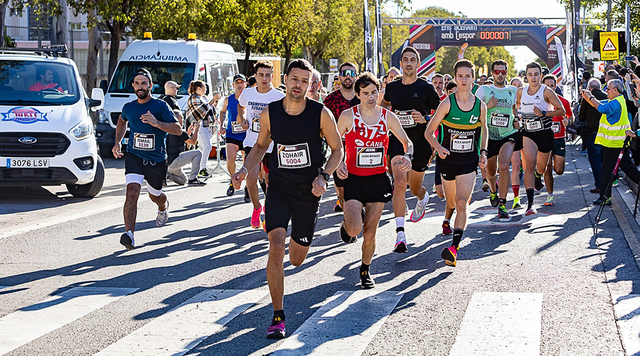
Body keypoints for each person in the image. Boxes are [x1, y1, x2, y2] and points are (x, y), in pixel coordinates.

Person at [231, 59, 343, 339]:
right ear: (287, 79)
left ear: (310, 84)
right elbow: (259, 146)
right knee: (275, 247)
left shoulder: (321, 113)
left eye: (305, 81)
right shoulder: (271, 113)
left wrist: (324, 176)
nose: (299, 85)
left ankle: (299, 248)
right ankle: (278, 315)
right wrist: (245, 168)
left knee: (296, 259)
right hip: (279, 187)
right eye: (294, 79)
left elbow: (337, 149)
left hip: (308, 192)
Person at [336, 72, 413, 287]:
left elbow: (407, 141)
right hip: (353, 179)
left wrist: (408, 156)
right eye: (366, 93)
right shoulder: (348, 116)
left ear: (380, 92)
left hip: (378, 180)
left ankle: (365, 270)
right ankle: (346, 225)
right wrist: (339, 161)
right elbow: (334, 145)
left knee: (370, 233)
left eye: (374, 92)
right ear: (358, 95)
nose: (371, 97)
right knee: (354, 230)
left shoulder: (387, 117)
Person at [425, 59, 488, 267]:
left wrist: (483, 151)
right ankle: (448, 217)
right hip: (448, 161)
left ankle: (454, 248)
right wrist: (439, 147)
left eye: (467, 76)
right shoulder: (447, 103)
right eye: (460, 76)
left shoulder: (480, 106)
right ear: (455, 78)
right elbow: (428, 132)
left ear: (473, 79)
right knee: (451, 202)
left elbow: (484, 130)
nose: (463, 79)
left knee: (462, 202)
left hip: (469, 161)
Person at [112, 68, 181, 250]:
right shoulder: (129, 107)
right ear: (133, 86)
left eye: (144, 83)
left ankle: (162, 206)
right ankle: (129, 234)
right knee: (132, 192)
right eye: (137, 83)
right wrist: (117, 142)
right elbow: (122, 121)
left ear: (150, 85)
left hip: (156, 159)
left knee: (154, 195)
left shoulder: (160, 106)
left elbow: (177, 129)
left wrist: (157, 123)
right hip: (134, 155)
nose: (140, 87)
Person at [381, 46, 440, 253]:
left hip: (420, 143)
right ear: (401, 63)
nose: (408, 63)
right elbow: (384, 105)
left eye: (412, 59)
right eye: (405, 59)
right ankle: (400, 234)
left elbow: (440, 113)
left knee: (413, 188)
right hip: (398, 141)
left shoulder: (426, 88)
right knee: (398, 183)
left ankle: (422, 197)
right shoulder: (393, 87)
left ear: (418, 63)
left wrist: (425, 118)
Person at [238, 60, 285, 229]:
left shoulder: (279, 96)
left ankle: (269, 211)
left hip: (272, 144)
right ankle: (257, 208)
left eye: (267, 75)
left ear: (273, 76)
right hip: (252, 141)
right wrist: (242, 118)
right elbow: (241, 106)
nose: (264, 78)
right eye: (261, 75)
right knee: (251, 179)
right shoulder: (248, 93)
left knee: (269, 181)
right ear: (255, 76)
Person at [515, 62, 565, 216]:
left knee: (541, 168)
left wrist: (544, 113)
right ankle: (530, 204)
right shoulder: (520, 92)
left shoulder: (547, 92)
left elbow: (561, 110)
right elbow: (515, 106)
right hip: (528, 133)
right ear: (526, 76)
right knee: (529, 165)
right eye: (530, 74)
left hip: (544, 133)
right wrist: (517, 118)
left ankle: (538, 175)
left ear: (541, 76)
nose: (533, 77)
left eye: (536, 74)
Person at [581, 79, 640, 206]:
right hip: (616, 143)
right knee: (628, 168)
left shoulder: (616, 103)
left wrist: (590, 96)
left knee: (607, 170)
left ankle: (605, 197)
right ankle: (605, 196)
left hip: (614, 143)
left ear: (615, 90)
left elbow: (602, 108)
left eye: (608, 88)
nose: (606, 90)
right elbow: (600, 104)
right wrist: (588, 98)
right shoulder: (616, 100)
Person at [475, 59, 521, 219]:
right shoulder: (484, 90)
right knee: (491, 171)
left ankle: (502, 204)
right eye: (497, 72)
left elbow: (515, 109)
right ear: (492, 73)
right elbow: (473, 109)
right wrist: (488, 106)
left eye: (503, 72)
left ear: (506, 73)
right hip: (489, 135)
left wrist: (517, 120)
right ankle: (494, 192)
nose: (500, 75)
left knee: (504, 165)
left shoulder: (512, 90)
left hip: (508, 134)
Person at [324, 62, 361, 212]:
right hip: (339, 147)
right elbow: (325, 127)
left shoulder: (362, 99)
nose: (348, 76)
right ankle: (348, 216)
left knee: (359, 185)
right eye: (345, 73)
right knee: (341, 189)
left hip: (360, 146)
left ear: (356, 77)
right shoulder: (330, 100)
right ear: (339, 77)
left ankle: (355, 215)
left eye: (351, 73)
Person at [542, 74, 572, 206]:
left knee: (559, 170)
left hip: (559, 138)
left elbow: (571, 117)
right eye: (547, 86)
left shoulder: (563, 102)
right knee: (547, 168)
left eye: (552, 86)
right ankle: (550, 195)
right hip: (543, 138)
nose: (550, 88)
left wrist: (568, 121)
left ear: (556, 86)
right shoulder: (538, 101)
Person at [219, 74, 249, 197]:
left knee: (246, 163)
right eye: (237, 82)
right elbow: (222, 111)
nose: (240, 85)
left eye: (242, 82)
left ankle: (248, 186)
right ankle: (233, 182)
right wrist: (221, 124)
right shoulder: (228, 99)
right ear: (233, 85)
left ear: (245, 84)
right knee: (230, 160)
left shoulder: (249, 98)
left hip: (247, 134)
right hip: (232, 133)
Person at [166, 107, 205, 186]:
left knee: (184, 181)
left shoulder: (169, 129)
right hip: (175, 160)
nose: (183, 120)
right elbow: (193, 142)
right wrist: (197, 129)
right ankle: (193, 179)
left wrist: (188, 133)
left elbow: (186, 144)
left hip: (168, 164)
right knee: (198, 153)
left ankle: (167, 175)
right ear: (177, 118)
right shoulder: (179, 130)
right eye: (182, 118)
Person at [186, 80, 216, 178]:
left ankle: (199, 169)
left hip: (207, 125)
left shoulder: (203, 97)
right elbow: (201, 111)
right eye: (204, 87)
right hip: (199, 125)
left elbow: (210, 109)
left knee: (203, 148)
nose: (205, 89)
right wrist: (212, 101)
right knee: (207, 147)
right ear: (198, 89)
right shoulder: (193, 98)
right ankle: (202, 168)